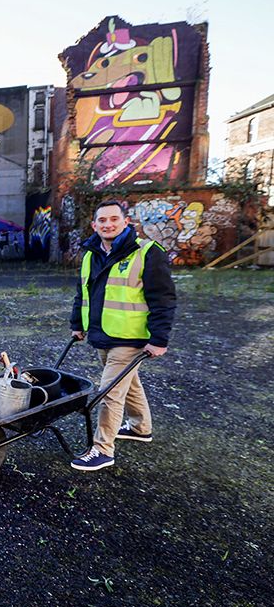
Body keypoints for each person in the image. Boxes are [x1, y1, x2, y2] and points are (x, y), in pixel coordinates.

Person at [69, 200, 176, 472]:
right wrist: (77, 324)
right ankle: (141, 428)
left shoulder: (147, 253)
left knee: (109, 391)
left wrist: (159, 339)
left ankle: (103, 449)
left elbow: (163, 299)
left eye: (114, 219)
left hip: (131, 337)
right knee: (129, 383)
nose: (108, 224)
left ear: (125, 222)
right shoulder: (91, 254)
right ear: (94, 225)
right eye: (102, 220)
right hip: (102, 334)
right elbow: (83, 293)